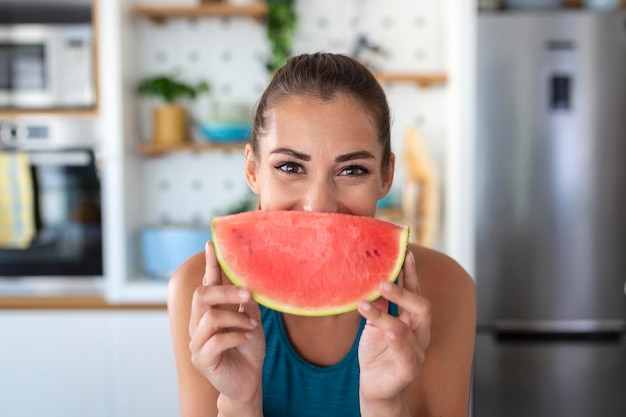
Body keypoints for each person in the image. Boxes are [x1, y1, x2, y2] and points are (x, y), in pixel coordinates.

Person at [168, 52, 476, 417]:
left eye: (352, 171)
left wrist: (384, 404)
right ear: (252, 170)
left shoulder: (442, 289)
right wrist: (238, 402)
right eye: (289, 166)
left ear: (387, 175)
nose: (318, 206)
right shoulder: (202, 294)